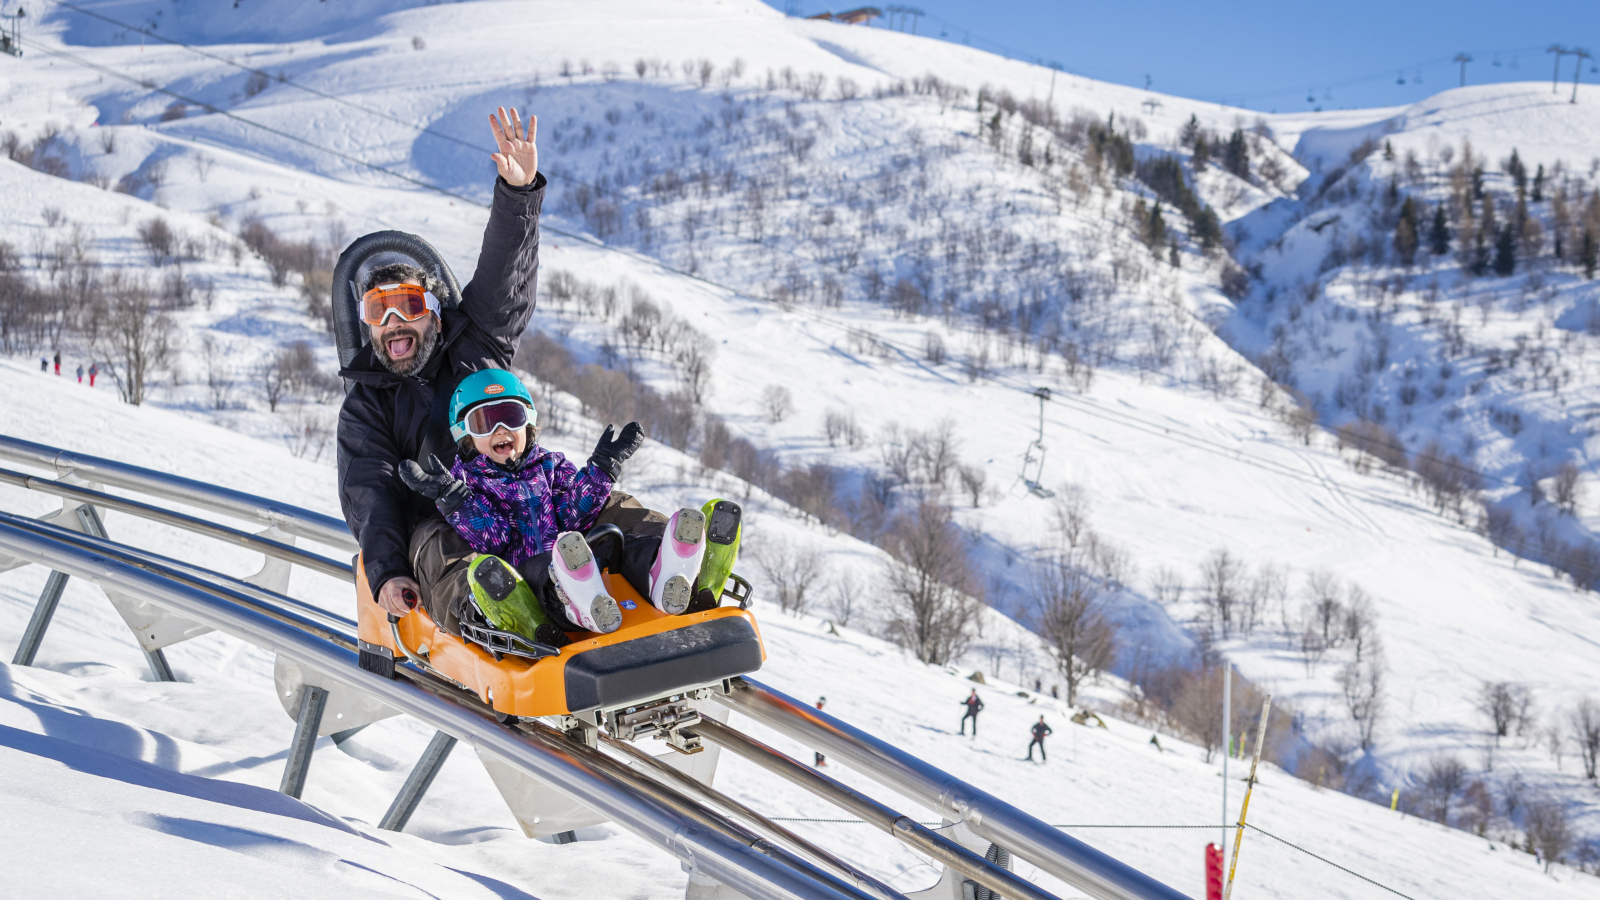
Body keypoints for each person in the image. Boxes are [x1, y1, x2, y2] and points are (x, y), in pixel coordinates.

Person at [338, 106, 551, 630]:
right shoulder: (367, 406)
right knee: (443, 552)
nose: (392, 323)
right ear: (366, 326)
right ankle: (497, 617)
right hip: (441, 522)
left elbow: (505, 274)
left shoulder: (477, 339)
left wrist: (517, 195)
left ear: (433, 310)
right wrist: (386, 570)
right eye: (376, 312)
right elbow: (373, 490)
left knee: (603, 506)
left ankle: (667, 560)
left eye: (407, 305)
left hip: (522, 494)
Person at [398, 368, 722, 641]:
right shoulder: (470, 482)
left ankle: (664, 571)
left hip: (577, 557)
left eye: (510, 417)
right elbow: (493, 539)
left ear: (527, 423)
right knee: (547, 575)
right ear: (465, 435)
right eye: (485, 422)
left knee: (621, 545)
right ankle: (583, 606)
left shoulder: (550, 465)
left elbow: (576, 515)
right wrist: (455, 498)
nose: (501, 429)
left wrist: (602, 468)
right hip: (531, 576)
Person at [814, 697, 827, 767]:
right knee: (819, 746)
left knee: (821, 746)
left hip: (819, 730)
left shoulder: (820, 707)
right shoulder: (818, 708)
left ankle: (820, 761)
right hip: (817, 730)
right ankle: (818, 761)